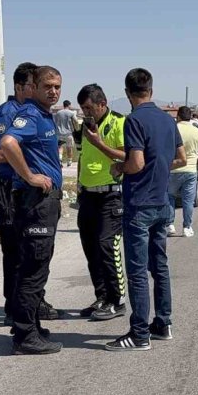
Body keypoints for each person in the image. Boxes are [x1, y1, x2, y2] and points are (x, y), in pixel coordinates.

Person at [106, 68, 186, 352]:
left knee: (138, 272)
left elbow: (136, 163)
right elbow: (181, 158)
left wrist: (119, 168)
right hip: (163, 203)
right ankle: (163, 324)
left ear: (128, 93)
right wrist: (160, 168)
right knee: (160, 267)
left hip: (139, 205)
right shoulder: (167, 120)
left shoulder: (134, 121)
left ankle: (139, 334)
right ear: (151, 90)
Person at [0, 62, 59, 327]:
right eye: (35, 85)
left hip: (28, 192)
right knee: (17, 254)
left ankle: (31, 306)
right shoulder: (9, 114)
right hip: (10, 191)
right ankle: (15, 310)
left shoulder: (36, 113)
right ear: (20, 87)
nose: (44, 90)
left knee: (32, 254)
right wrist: (29, 172)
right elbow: (0, 152)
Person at [0, 65, 65, 355]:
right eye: (48, 86)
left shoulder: (44, 115)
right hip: (35, 200)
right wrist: (30, 176)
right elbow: (7, 143)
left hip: (43, 202)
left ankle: (32, 327)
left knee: (38, 265)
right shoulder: (30, 115)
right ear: (34, 87)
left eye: (57, 87)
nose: (53, 91)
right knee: (33, 269)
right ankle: (25, 336)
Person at [75, 83, 127, 321]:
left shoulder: (119, 123)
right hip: (87, 195)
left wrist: (99, 143)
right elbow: (82, 158)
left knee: (108, 246)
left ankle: (118, 300)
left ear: (102, 104)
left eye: (89, 108)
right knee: (91, 249)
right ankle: (102, 296)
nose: (86, 112)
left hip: (110, 194)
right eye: (82, 108)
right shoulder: (85, 127)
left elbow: (128, 156)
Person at [166, 106, 198, 238]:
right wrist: (197, 161)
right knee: (188, 201)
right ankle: (187, 227)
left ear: (178, 116)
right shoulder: (196, 131)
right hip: (190, 170)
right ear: (190, 117)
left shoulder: (172, 129)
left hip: (173, 169)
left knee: (170, 197)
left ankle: (170, 225)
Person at [54, 100, 79, 167]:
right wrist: (76, 129)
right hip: (69, 133)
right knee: (69, 147)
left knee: (60, 147)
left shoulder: (58, 113)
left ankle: (60, 159)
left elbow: (55, 122)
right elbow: (76, 121)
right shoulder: (71, 113)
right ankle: (69, 161)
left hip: (59, 133)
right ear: (69, 105)